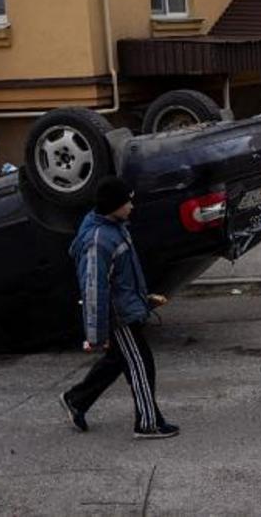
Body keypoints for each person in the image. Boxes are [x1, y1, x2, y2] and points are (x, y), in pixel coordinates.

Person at [59, 177, 178, 439]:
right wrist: (95, 335)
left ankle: (77, 400)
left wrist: (142, 299)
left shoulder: (114, 227)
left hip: (124, 309)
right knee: (140, 364)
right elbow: (93, 289)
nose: (132, 206)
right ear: (114, 205)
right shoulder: (99, 240)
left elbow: (122, 276)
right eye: (127, 201)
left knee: (117, 361)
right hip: (119, 316)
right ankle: (148, 423)